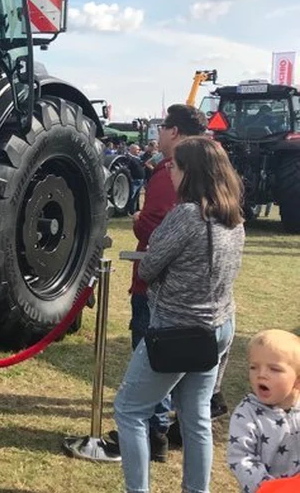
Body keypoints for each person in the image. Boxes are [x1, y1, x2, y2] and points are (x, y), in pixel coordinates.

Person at [114, 136, 245, 493]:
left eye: (174, 165)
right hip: (217, 326)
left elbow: (149, 266)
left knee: (129, 409)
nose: (169, 171)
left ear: (191, 172)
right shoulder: (234, 218)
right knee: (195, 416)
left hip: (177, 329)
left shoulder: (187, 215)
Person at [108, 105, 207, 461]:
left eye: (163, 126)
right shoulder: (210, 170)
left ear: (176, 132)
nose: (159, 133)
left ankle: (153, 432)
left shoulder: (169, 174)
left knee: (151, 364)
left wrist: (138, 219)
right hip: (199, 299)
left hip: (159, 292)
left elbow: (155, 228)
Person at [227, 329, 300, 493]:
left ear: (297, 380)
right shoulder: (247, 413)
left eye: (274, 369)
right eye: (254, 367)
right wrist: (268, 487)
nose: (261, 374)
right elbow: (240, 457)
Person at [126, 144, 145, 214]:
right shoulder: (129, 158)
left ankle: (134, 209)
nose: (139, 151)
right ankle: (128, 210)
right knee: (131, 196)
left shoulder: (138, 158)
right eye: (137, 149)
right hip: (134, 180)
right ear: (132, 149)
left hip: (140, 180)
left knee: (136, 197)